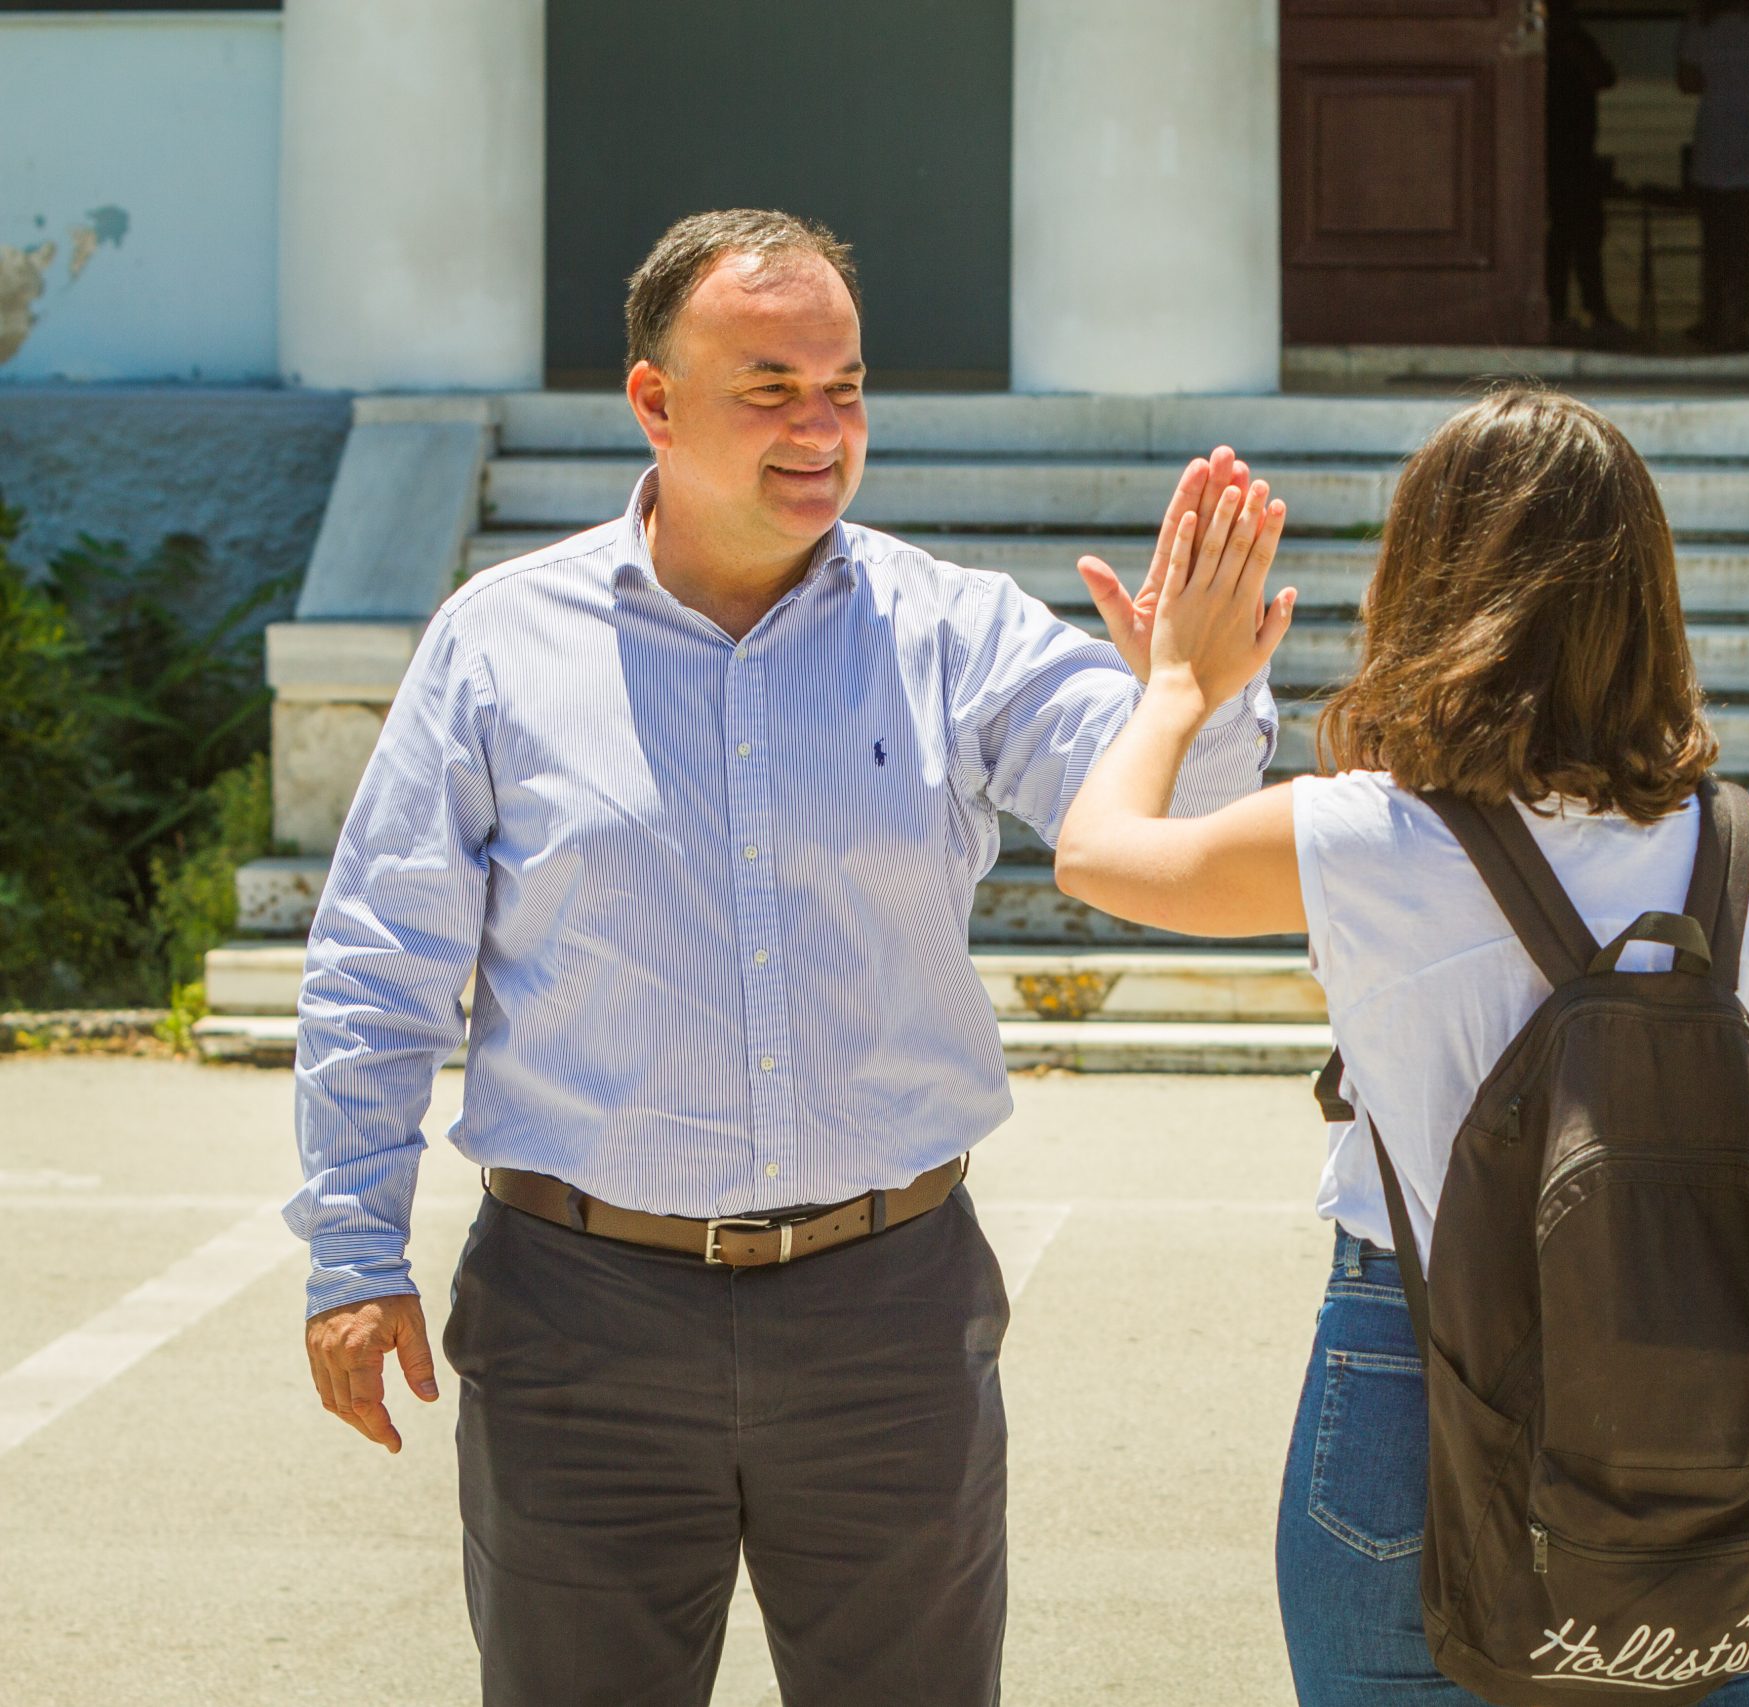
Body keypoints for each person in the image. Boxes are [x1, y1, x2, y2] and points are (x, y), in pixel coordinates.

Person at [286, 207, 1278, 1707]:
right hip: (581, 1322)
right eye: (771, 389)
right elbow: (379, 961)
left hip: (887, 1314)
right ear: (655, 400)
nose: (821, 429)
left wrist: (1190, 697)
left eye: (845, 388)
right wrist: (354, 1252)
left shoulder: (953, 632)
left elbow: (1168, 826)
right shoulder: (499, 645)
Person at [1052, 388, 1749, 1705]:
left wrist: (1177, 687)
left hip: (1412, 1371)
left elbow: (1095, 853)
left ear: (1427, 584)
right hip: (1698, 1406)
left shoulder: (1370, 838)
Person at [1676, 0, 1749, 351]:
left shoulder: (1700, 22)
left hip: (1721, 144)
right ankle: (1744, 323)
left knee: (1720, 246)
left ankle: (1722, 322)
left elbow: (1688, 80)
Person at [1545, 0, 1623, 343]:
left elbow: (1605, 78)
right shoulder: (1541, 51)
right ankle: (1557, 312)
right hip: (1553, 157)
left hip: (1580, 155)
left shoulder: (1580, 44)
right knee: (1561, 238)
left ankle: (1595, 310)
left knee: (1587, 235)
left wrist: (1577, 51)